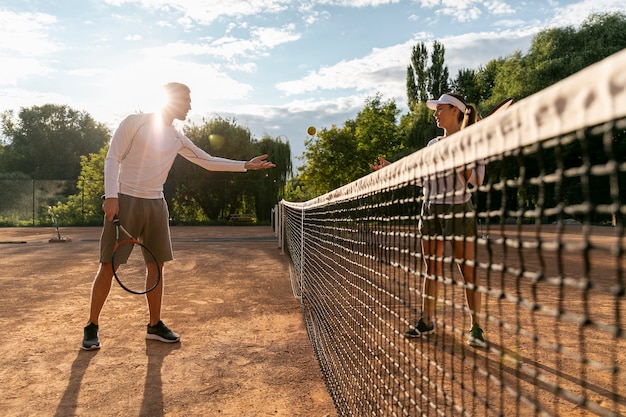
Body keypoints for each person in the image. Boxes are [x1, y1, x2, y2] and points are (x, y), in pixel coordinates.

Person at [82, 82, 275, 350]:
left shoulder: (177, 138)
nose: (190, 105)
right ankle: (91, 326)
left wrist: (245, 165)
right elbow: (112, 158)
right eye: (186, 100)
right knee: (108, 265)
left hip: (156, 205)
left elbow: (207, 160)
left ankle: (154, 325)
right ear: (170, 100)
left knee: (157, 266)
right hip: (125, 200)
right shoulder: (135, 122)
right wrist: (111, 196)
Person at [371, 93, 486, 347]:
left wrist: (459, 159)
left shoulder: (471, 142)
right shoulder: (433, 144)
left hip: (458, 210)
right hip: (430, 209)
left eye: (440, 109)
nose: (435, 114)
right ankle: (427, 320)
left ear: (455, 111)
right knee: (431, 270)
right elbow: (421, 178)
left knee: (467, 270)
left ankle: (476, 327)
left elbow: (476, 180)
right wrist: (391, 169)